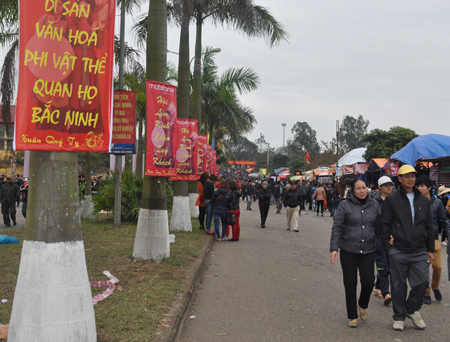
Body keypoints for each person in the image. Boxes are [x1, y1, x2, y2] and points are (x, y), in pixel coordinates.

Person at [380, 165, 435, 331]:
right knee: (398, 286)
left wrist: (430, 249)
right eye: (407, 176)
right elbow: (384, 225)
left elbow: (429, 227)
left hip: (419, 250)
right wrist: (388, 249)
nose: (411, 179)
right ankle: (398, 317)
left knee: (422, 282)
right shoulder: (392, 199)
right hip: (398, 251)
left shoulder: (424, 200)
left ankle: (411, 310)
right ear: (400, 178)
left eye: (413, 176)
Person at [330, 178, 379, 328]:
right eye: (358, 188)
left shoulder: (374, 204)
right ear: (352, 190)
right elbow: (337, 227)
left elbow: (381, 225)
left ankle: (362, 304)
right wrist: (334, 248)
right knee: (350, 283)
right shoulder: (345, 205)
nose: (362, 191)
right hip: (348, 250)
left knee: (369, 282)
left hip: (368, 250)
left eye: (364, 188)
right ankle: (352, 316)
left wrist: (390, 238)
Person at [415, 175, 450, 305]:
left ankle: (435, 286)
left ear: (429, 187)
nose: (420, 188)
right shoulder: (414, 202)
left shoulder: (437, 203)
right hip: (419, 241)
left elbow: (443, 220)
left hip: (434, 240)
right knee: (423, 270)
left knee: (438, 267)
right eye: (418, 186)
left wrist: (449, 233)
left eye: (422, 186)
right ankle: (426, 292)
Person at [373, 176, 394, 305]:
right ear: (380, 187)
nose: (389, 187)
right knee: (383, 265)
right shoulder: (374, 202)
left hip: (393, 239)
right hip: (379, 238)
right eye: (386, 185)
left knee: (391, 266)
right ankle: (386, 293)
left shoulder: (395, 200)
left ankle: (378, 285)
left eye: (390, 185)